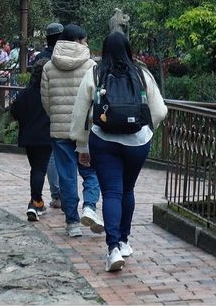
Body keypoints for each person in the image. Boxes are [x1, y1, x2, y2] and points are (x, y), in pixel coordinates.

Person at [70, 29, 167, 272]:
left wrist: (82, 146)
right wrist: (146, 130)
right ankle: (124, 241)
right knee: (127, 190)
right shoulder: (142, 74)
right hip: (137, 142)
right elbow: (160, 111)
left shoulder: (95, 72)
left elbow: (80, 113)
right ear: (128, 48)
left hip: (104, 141)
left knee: (111, 192)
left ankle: (112, 249)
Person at [41, 23, 103, 238]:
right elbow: (96, 100)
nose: (86, 44)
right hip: (85, 130)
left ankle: (72, 223)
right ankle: (90, 207)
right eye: (84, 40)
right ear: (78, 41)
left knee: (66, 176)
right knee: (91, 171)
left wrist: (57, 118)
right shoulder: (90, 66)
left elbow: (46, 101)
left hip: (59, 131)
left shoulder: (49, 66)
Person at [9, 54, 52, 221]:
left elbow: (15, 111)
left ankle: (38, 201)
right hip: (45, 136)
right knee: (39, 169)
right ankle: (34, 203)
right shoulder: (49, 95)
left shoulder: (26, 94)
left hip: (28, 136)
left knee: (35, 168)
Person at [31, 22, 65, 208]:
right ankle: (63, 194)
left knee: (49, 156)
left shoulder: (40, 59)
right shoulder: (65, 58)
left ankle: (56, 194)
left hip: (43, 110)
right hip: (64, 111)